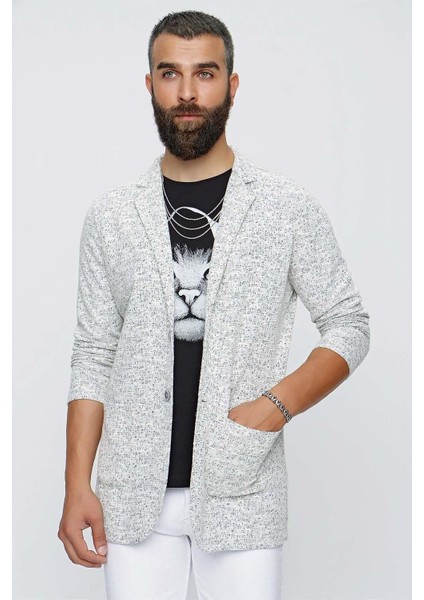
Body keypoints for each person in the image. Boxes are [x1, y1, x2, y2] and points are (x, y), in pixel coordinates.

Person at [58, 10, 371, 600]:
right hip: (131, 493)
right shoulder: (112, 216)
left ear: (232, 84)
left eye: (204, 73)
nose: (187, 92)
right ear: (149, 84)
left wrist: (274, 408)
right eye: (170, 74)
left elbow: (349, 324)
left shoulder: (285, 208)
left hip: (242, 487)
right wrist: (78, 485)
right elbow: (94, 353)